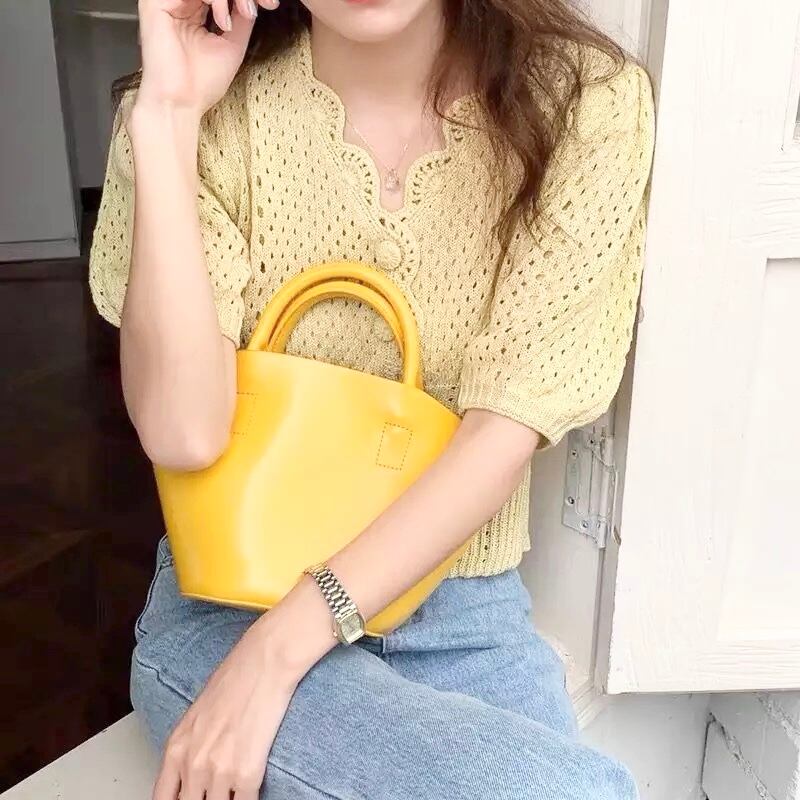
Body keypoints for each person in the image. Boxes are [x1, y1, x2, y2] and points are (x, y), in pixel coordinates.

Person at [89, 0, 655, 797]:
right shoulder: (215, 116)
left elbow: (503, 430)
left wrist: (279, 653)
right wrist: (169, 118)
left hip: (461, 620)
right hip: (232, 603)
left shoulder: (585, 104)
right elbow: (183, 433)